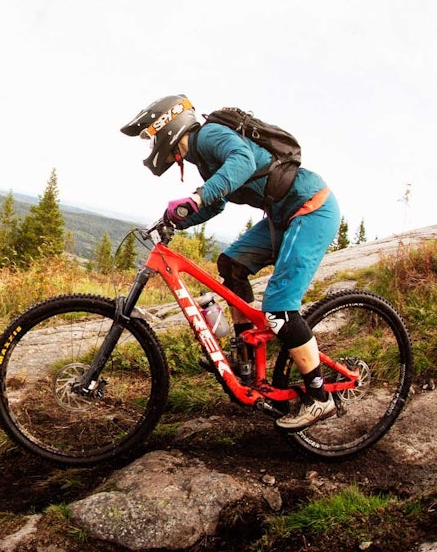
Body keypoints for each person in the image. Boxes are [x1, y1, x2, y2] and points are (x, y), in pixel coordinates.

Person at [121, 94, 341, 431]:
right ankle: (247, 358)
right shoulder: (201, 156)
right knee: (232, 264)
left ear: (167, 126)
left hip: (311, 209)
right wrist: (179, 218)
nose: (153, 145)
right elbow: (217, 202)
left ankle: (319, 396)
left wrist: (195, 197)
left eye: (152, 135)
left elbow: (242, 163)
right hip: (281, 217)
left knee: (280, 308)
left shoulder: (208, 135)